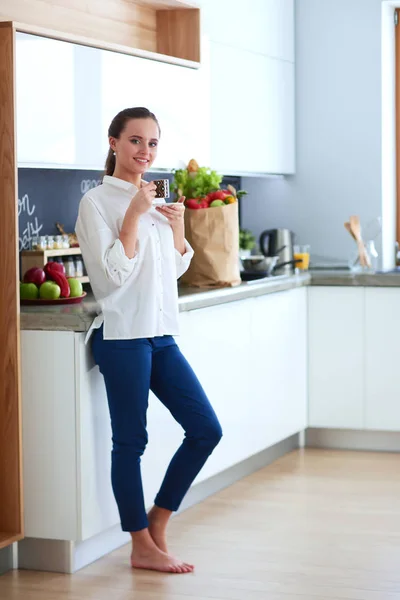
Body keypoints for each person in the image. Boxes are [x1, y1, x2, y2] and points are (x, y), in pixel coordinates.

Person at [75, 107, 223, 574]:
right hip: (123, 338)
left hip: (161, 336)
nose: (145, 151)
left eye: (153, 143)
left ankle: (158, 521)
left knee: (205, 429)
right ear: (114, 142)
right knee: (130, 442)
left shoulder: (153, 196)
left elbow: (174, 271)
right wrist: (134, 217)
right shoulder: (96, 202)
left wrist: (176, 226)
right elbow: (114, 275)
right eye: (136, 141)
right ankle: (139, 544)